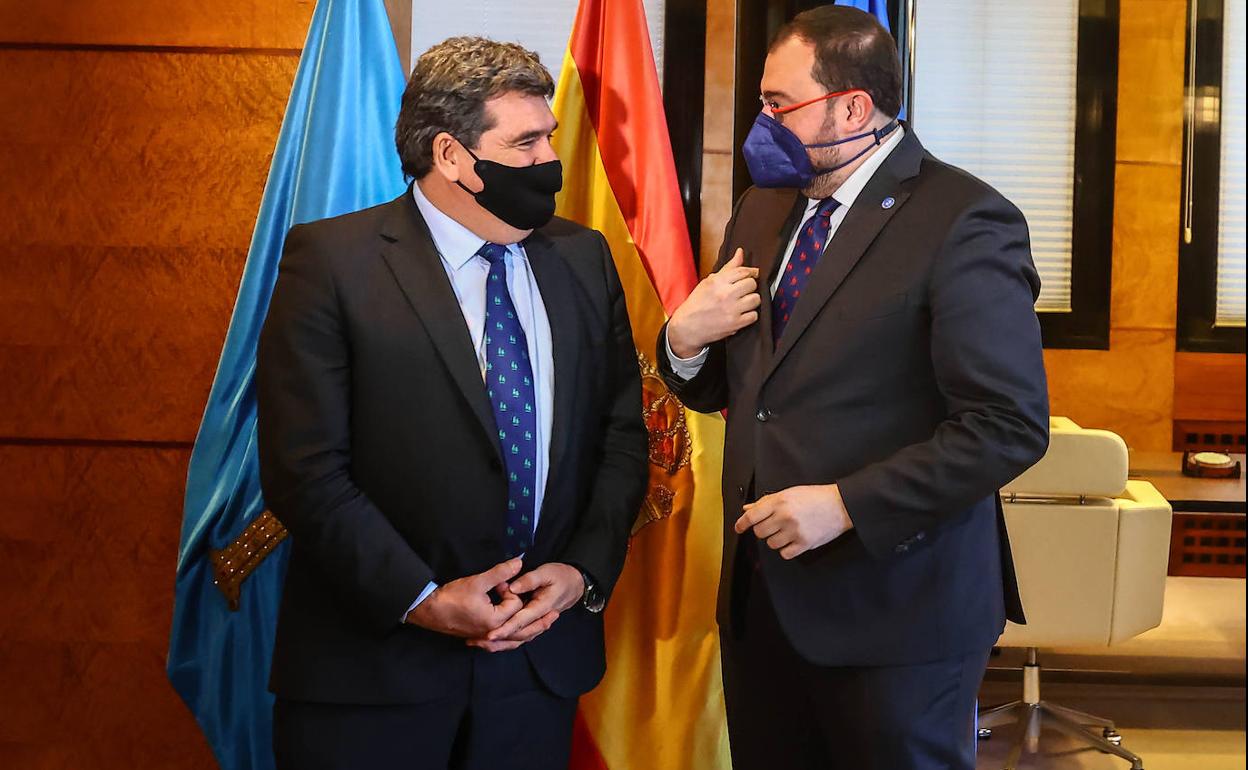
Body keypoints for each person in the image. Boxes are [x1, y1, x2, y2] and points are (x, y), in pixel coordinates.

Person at [657, 7, 1049, 769]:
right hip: (761, 606)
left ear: (853, 108)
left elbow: (1007, 425)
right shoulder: (764, 206)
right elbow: (747, 392)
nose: (760, 124)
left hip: (899, 610)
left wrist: (844, 505)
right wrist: (684, 339)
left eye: (778, 105)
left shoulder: (964, 219)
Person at [256, 36, 647, 770]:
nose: (547, 161)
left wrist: (583, 572)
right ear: (450, 156)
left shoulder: (583, 257)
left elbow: (621, 436)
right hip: (373, 680)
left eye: (549, 138)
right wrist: (424, 598)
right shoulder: (333, 264)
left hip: (536, 677)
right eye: (524, 142)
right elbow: (304, 471)